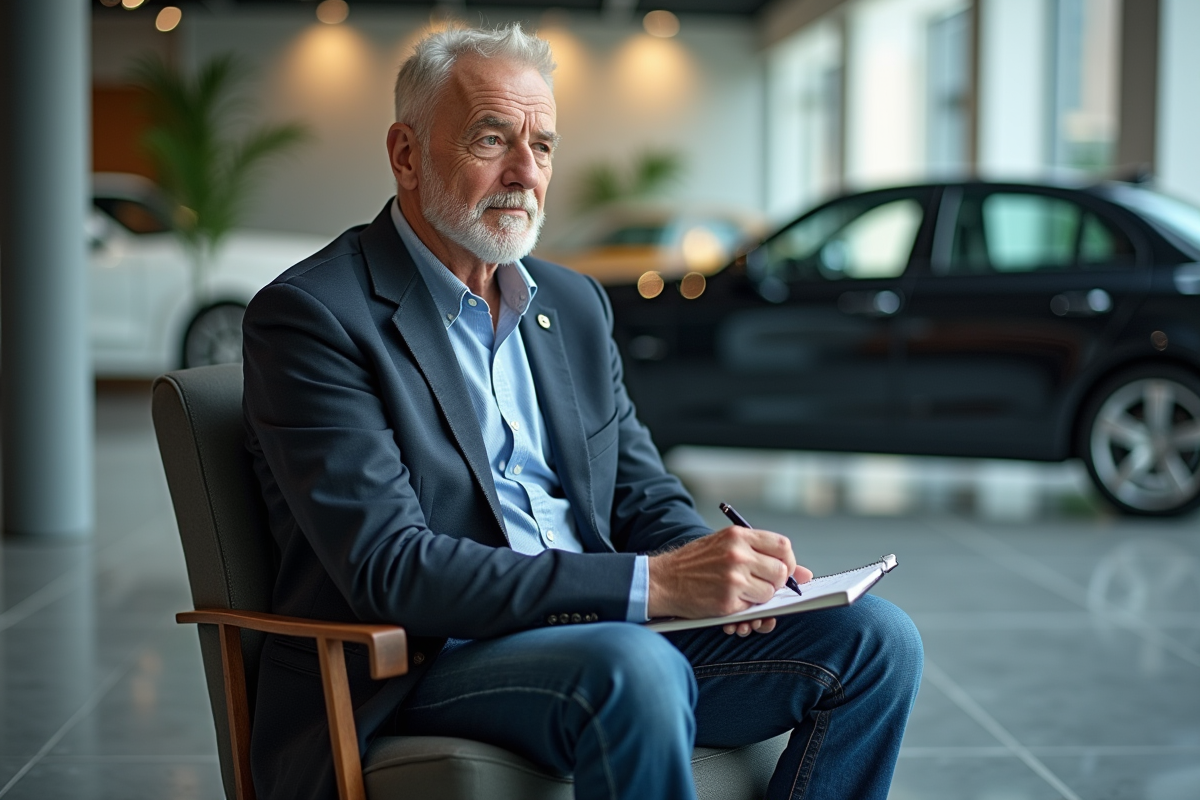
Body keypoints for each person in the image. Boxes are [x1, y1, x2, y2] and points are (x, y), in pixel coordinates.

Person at [242, 23, 922, 800]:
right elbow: (390, 567)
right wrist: (650, 585)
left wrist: (725, 573)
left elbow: (640, 492)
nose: (524, 173)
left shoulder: (570, 303)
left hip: (609, 632)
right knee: (635, 666)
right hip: (430, 659)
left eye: (544, 146)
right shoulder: (314, 316)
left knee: (876, 642)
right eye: (490, 138)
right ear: (405, 154)